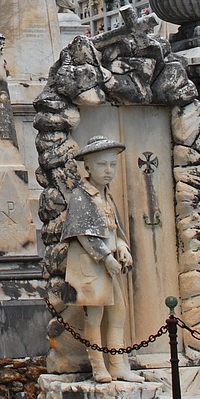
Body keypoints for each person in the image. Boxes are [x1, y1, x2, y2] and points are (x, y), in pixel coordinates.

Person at [62, 136, 143, 385]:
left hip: (109, 266)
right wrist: (106, 257)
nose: (108, 171)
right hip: (91, 266)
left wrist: (122, 247)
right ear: (87, 167)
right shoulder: (81, 195)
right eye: (101, 165)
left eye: (112, 165)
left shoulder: (106, 196)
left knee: (118, 312)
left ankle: (117, 364)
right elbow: (84, 235)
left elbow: (113, 229)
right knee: (94, 317)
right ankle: (98, 366)